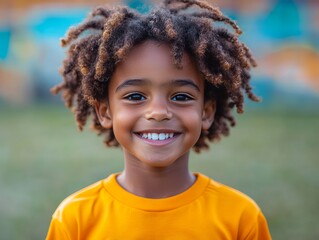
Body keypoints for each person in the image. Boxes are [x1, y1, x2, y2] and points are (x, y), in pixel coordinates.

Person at [46, 0, 272, 239]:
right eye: (135, 96)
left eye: (181, 96)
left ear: (206, 112)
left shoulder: (240, 217)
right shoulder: (75, 219)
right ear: (105, 112)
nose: (158, 111)